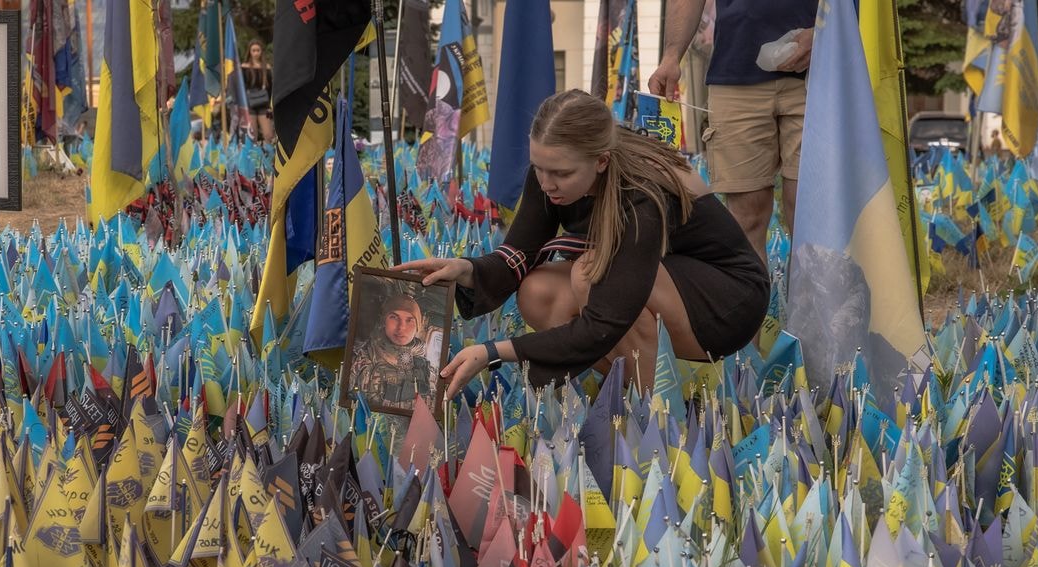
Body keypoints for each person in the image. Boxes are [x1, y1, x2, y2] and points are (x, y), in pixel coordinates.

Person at [396, 89, 769, 398]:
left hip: (726, 298)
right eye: (538, 168)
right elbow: (519, 255)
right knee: (538, 290)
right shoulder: (551, 174)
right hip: (664, 280)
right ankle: (621, 387)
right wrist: (466, 269)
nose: (545, 183)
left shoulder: (641, 193)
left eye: (560, 173)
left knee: (590, 273)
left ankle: (655, 414)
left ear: (602, 162)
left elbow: (603, 322)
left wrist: (492, 353)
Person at [648, 0, 817, 264]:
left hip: (816, 71)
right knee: (746, 217)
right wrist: (671, 56)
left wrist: (823, 33)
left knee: (809, 214)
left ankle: (813, 307)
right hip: (735, 74)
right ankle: (753, 304)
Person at [350, 294, 438, 408]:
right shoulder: (361, 359)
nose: (401, 327)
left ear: (418, 326)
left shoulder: (428, 370)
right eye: (394, 317)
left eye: (409, 320)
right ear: (383, 321)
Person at [241, 41, 274, 143]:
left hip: (264, 105)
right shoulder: (244, 67)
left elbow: (271, 88)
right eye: (253, 50)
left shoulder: (267, 68)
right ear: (250, 52)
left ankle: (269, 157)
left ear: (261, 52)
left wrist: (270, 106)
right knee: (252, 135)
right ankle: (254, 157)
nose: (256, 53)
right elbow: (241, 87)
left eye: (258, 50)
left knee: (269, 135)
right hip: (249, 104)